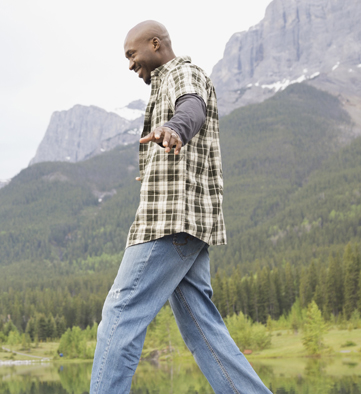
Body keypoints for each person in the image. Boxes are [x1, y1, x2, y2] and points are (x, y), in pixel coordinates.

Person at [89, 21, 273, 394]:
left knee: (120, 314)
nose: (129, 64)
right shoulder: (165, 84)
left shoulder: (182, 73)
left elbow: (192, 107)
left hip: (169, 225)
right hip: (189, 227)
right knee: (202, 328)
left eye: (132, 54)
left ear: (155, 44)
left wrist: (175, 128)